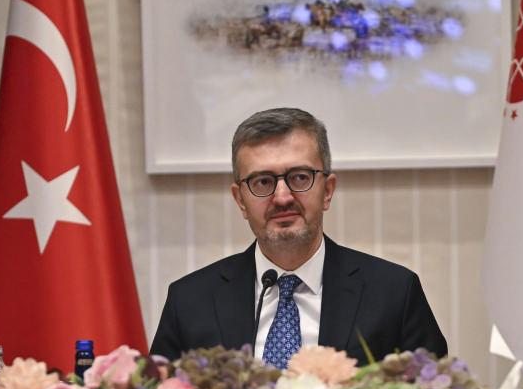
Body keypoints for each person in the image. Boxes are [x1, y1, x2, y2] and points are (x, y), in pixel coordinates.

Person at [150, 108, 447, 366]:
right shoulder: (189, 302)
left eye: (300, 177)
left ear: (327, 190)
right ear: (240, 200)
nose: (282, 197)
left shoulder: (394, 294)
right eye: (262, 182)